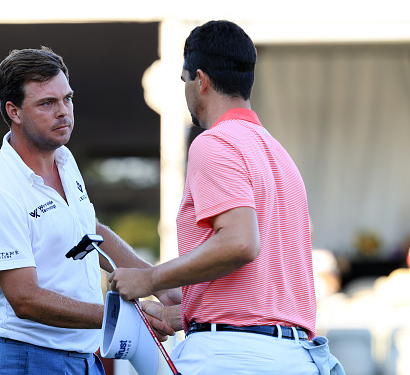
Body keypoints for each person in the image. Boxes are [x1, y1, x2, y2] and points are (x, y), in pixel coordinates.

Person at [109, 21, 344, 374]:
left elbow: (240, 242)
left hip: (231, 357)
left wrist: (151, 279)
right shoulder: (279, 154)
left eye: (184, 80)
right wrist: (187, 313)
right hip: (297, 356)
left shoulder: (213, 143)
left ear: (200, 81)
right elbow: (261, 291)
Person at [0, 47, 160, 375]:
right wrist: (130, 318)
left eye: (67, 99)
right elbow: (24, 299)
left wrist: (159, 282)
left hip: (82, 358)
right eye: (47, 103)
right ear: (13, 111)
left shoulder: (65, 159)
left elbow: (90, 232)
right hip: (29, 360)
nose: (64, 112)